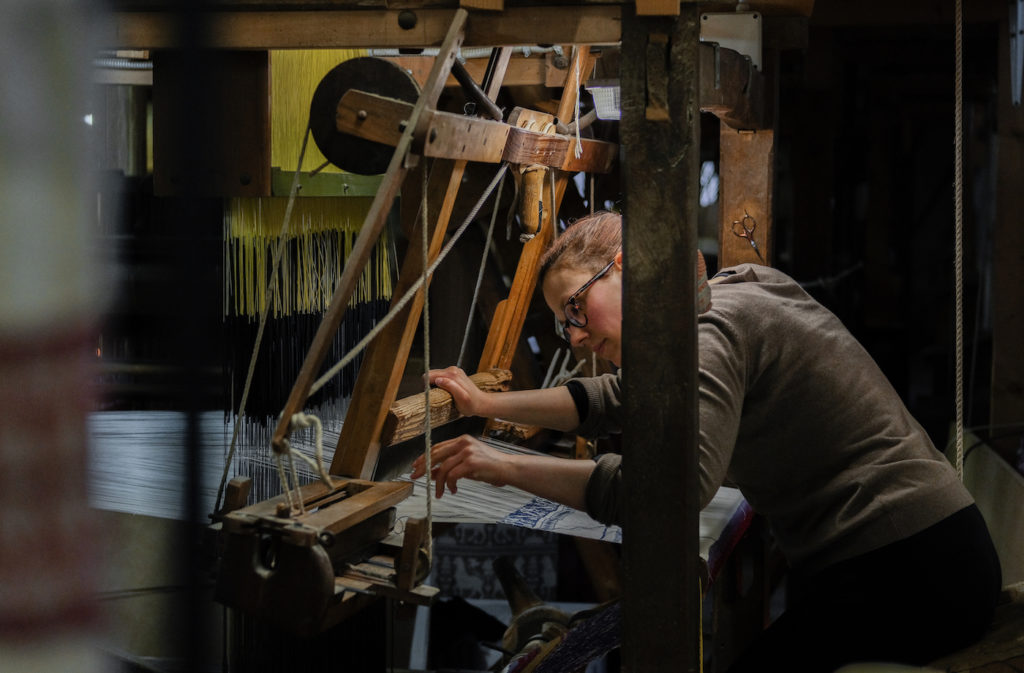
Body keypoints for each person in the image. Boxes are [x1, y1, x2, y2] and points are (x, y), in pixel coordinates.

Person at [410, 211, 1002, 672]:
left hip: (913, 573)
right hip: (914, 558)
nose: (576, 337)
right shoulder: (724, 301)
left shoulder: (711, 332)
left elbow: (667, 494)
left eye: (575, 308)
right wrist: (486, 406)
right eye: (565, 325)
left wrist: (504, 467)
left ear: (627, 265)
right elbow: (615, 399)